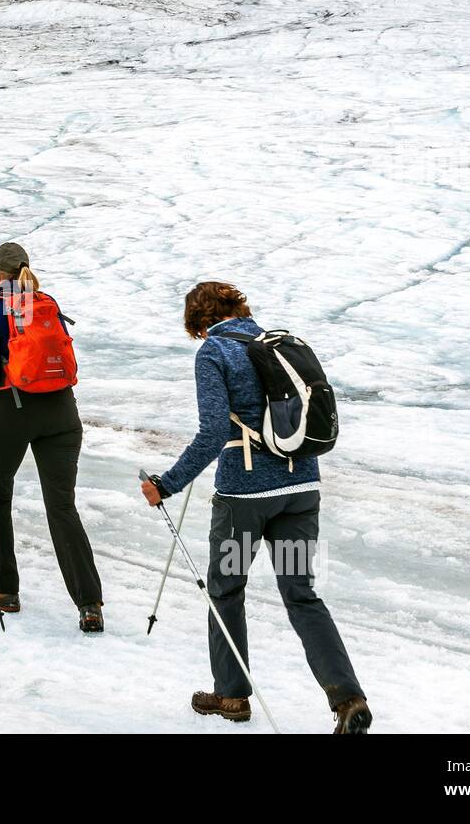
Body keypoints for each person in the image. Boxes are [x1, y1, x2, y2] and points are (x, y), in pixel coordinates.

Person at [139, 280, 369, 733]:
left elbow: (210, 435)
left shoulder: (214, 353)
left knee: (226, 590)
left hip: (244, 501)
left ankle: (231, 695)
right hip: (301, 491)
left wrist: (167, 485)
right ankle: (348, 699)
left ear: (198, 323)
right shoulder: (278, 341)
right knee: (302, 595)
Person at [0, 242, 103, 633]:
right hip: (63, 411)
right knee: (62, 507)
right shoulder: (46, 301)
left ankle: (6, 590)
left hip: (12, 411)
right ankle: (89, 604)